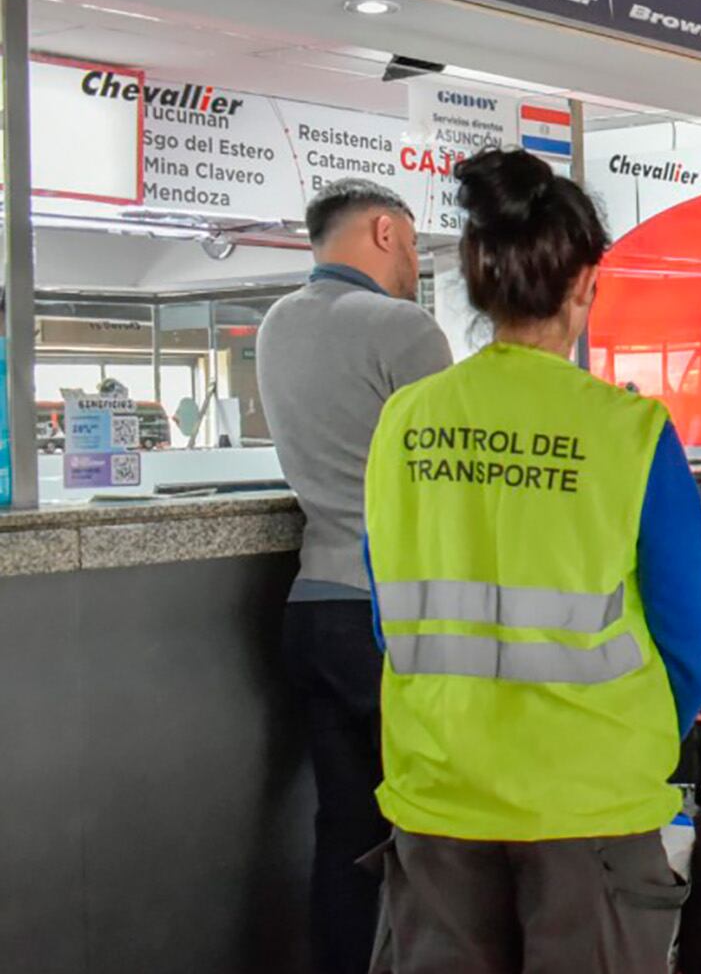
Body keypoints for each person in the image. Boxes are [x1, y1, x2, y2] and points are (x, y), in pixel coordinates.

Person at [360, 149, 701, 973]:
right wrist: (654, 735)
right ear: (586, 281)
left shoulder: (405, 420)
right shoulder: (631, 432)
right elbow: (684, 637)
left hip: (438, 789)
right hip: (592, 801)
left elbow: (387, 612)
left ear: (478, 279)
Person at [257, 178, 451, 974]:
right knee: (438, 837)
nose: (413, 262)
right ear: (381, 231)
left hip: (312, 606)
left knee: (345, 834)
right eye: (410, 243)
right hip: (392, 618)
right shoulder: (404, 328)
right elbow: (452, 478)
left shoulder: (276, 324)